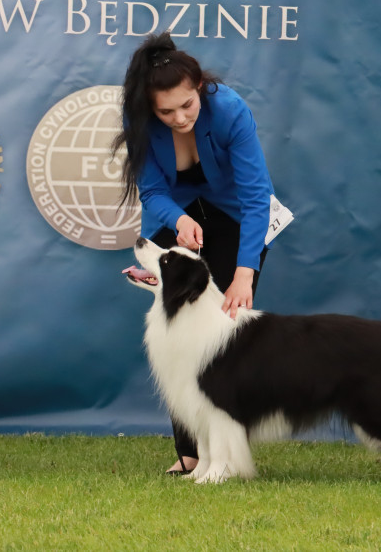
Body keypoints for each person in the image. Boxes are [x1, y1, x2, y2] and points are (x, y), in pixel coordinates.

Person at [113, 31, 275, 475]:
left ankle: (225, 449)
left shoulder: (230, 110)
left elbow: (257, 195)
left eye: (188, 104)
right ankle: (190, 452)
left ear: (200, 86)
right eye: (166, 112)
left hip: (234, 218)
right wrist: (180, 221)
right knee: (179, 328)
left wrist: (245, 271)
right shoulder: (139, 120)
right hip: (174, 216)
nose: (180, 118)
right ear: (150, 107)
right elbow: (151, 189)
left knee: (221, 334)